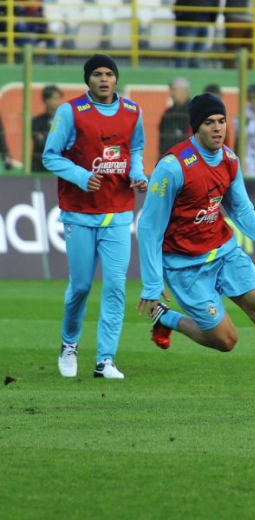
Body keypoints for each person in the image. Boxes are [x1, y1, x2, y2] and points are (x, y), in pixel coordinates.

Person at [136, 93, 255, 404]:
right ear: (195, 127)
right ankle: (165, 317)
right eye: (209, 122)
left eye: (221, 121)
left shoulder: (229, 160)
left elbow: (243, 214)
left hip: (224, 251)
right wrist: (153, 282)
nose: (217, 128)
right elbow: (149, 227)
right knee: (226, 340)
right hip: (186, 265)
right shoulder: (172, 167)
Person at [43, 54, 148, 379]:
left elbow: (136, 148)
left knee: (116, 285)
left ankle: (105, 360)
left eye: (109, 74)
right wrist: (79, 175)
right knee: (81, 286)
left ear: (116, 79)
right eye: (97, 74)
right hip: (79, 213)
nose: (104, 79)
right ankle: (69, 344)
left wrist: (138, 173)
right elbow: (50, 155)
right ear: (88, 79)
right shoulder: (71, 112)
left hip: (118, 212)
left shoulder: (132, 111)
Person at [174, 0, 220, 69]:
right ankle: (181, 75)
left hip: (204, 23)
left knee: (198, 57)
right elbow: (177, 7)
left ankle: (192, 74)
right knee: (185, 55)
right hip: (189, 24)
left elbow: (215, 6)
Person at [32, 85, 64, 173]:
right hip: (40, 168)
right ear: (46, 100)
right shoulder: (37, 121)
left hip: (60, 168)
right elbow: (40, 143)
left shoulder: (67, 121)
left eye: (59, 98)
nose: (58, 102)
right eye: (55, 98)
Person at [158, 77, 191, 159]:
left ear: (184, 91)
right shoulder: (168, 113)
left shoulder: (193, 112)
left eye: (174, 90)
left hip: (187, 158)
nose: (171, 94)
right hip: (167, 157)